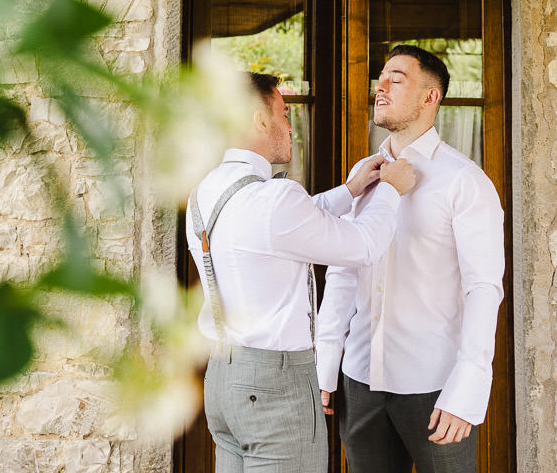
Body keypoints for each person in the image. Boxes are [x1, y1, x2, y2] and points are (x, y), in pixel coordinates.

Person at [186, 71, 416, 473]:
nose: (291, 126)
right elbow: (362, 246)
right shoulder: (275, 198)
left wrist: (349, 192)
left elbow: (285, 229)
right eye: (284, 111)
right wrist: (391, 192)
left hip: (222, 379)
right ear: (259, 119)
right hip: (276, 387)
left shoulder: (205, 190)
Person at [316, 44, 505, 473]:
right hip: (359, 381)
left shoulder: (465, 182)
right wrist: (326, 360)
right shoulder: (363, 176)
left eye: (395, 79)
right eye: (380, 79)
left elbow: (484, 288)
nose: (379, 87)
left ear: (429, 97)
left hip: (435, 386)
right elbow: (344, 272)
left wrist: (468, 386)